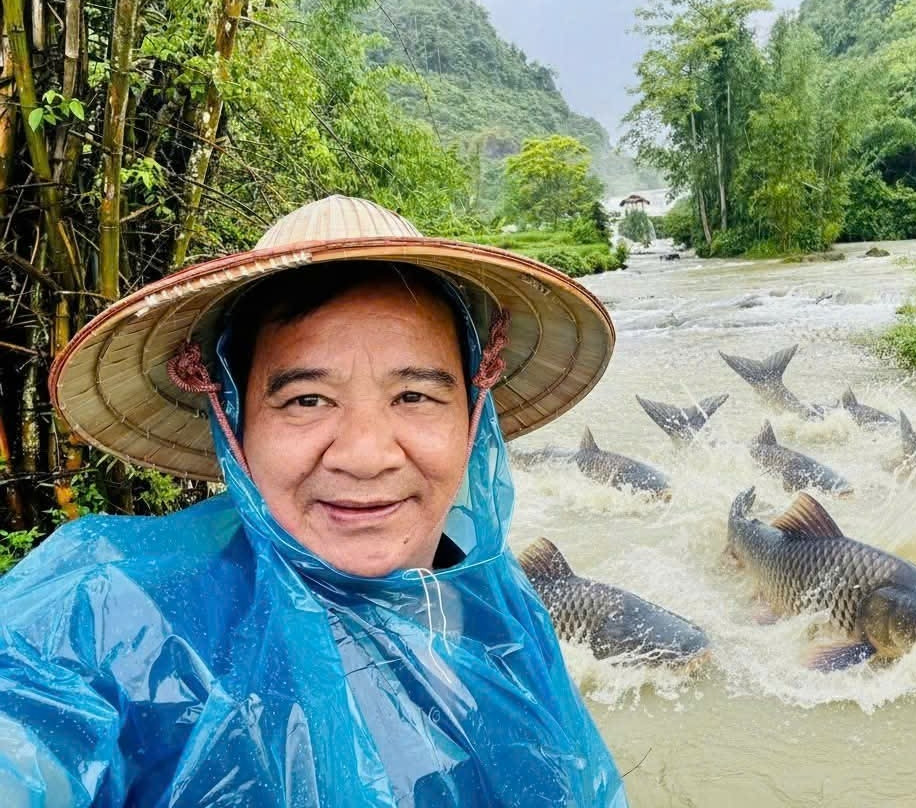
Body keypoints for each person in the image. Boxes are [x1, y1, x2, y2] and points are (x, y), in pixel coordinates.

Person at [0, 196, 627, 806]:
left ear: (472, 417)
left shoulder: (505, 613)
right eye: (306, 400)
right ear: (235, 422)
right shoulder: (115, 621)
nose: (364, 454)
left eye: (414, 396)